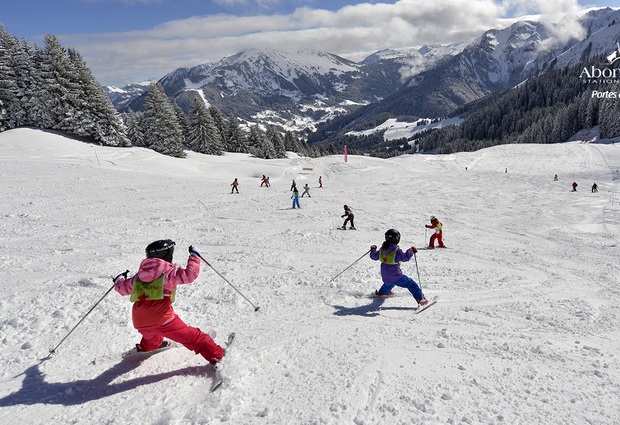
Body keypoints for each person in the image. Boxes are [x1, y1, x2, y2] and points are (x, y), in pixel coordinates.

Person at [113, 240, 225, 365]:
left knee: (151, 336)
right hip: (161, 318)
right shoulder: (168, 273)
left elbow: (122, 289)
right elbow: (190, 274)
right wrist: (194, 256)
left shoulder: (138, 277)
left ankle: (148, 346)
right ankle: (218, 356)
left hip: (139, 320)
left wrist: (119, 279)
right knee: (194, 337)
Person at [370, 229, 428, 305]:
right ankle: (421, 299)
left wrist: (373, 250)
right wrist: (410, 251)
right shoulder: (396, 250)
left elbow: (374, 256)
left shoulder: (382, 249)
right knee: (411, 284)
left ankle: (382, 293)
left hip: (385, 275)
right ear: (397, 239)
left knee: (389, 283)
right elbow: (405, 258)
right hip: (396, 275)